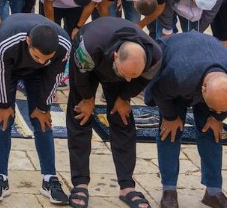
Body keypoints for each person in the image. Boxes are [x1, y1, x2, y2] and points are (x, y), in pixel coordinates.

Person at [146, 32, 227, 208]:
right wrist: (170, 117)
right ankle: (169, 191)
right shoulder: (178, 74)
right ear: (203, 89)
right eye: (215, 108)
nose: (217, 111)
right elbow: (159, 92)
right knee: (170, 131)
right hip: (178, 68)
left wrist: (217, 117)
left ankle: (213, 192)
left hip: (207, 67)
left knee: (212, 130)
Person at [66, 17, 163, 208]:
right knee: (81, 116)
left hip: (117, 68)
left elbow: (139, 80)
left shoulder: (155, 56)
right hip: (88, 65)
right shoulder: (89, 48)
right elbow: (80, 75)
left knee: (122, 118)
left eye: (133, 76)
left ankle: (127, 186)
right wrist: (87, 99)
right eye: (126, 75)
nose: (128, 80)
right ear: (116, 56)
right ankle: (80, 183)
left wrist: (125, 96)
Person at [0, 13, 72, 204]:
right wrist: (4, 105)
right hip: (10, 67)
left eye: (46, 58)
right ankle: (0, 177)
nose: (40, 61)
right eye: (37, 56)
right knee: (3, 119)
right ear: (28, 42)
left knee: (42, 120)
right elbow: (0, 75)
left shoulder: (64, 45)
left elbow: (54, 77)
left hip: (40, 76)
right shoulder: (5, 42)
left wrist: (43, 107)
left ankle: (49, 179)